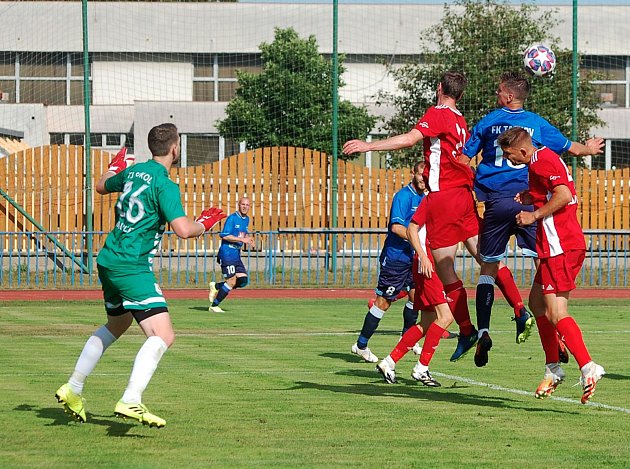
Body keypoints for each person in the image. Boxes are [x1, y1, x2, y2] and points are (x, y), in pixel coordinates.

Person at [55, 124, 226, 427]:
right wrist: (204, 223)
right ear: (175, 149)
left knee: (117, 324)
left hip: (108, 259)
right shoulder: (164, 184)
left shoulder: (133, 173)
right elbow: (184, 230)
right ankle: (131, 399)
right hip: (131, 265)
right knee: (163, 335)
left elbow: (102, 185)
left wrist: (112, 167)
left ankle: (74, 387)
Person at [463, 71, 605, 367]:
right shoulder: (536, 125)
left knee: (488, 267)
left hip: (499, 201)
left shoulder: (487, 122)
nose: (496, 94)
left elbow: (464, 159)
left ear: (509, 95)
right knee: (543, 265)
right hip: (529, 201)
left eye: (499, 91)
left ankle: (485, 330)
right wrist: (589, 148)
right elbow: (572, 148)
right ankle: (560, 334)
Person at [344, 70, 480, 363]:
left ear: (440, 87)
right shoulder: (461, 122)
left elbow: (409, 139)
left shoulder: (440, 113)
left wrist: (369, 145)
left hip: (442, 199)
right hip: (461, 198)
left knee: (436, 269)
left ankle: (462, 333)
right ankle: (499, 316)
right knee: (478, 262)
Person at [497, 126, 605, 404]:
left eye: (510, 155)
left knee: (557, 313)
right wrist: (532, 196)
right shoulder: (540, 158)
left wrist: (534, 216)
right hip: (554, 247)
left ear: (522, 150)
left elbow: (564, 196)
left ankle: (588, 367)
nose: (509, 160)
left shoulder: (542, 162)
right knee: (536, 304)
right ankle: (553, 368)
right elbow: (554, 191)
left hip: (561, 246)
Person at [346, 162, 425, 363]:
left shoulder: (426, 197)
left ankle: (407, 338)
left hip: (413, 257)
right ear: (413, 174)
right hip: (396, 257)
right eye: (420, 175)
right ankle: (361, 345)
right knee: (383, 302)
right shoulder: (403, 196)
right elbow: (396, 227)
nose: (423, 179)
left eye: (426, 175)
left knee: (417, 298)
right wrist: (416, 238)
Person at [376, 197, 455, 387]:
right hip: (428, 265)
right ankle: (421, 369)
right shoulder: (434, 200)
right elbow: (412, 230)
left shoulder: (447, 201)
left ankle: (389, 362)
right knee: (445, 317)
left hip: (429, 264)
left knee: (427, 322)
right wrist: (423, 257)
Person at [208, 197, 255, 313]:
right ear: (239, 205)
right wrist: (242, 240)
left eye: (247, 205)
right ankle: (214, 306)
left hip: (236, 255)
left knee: (243, 280)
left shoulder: (247, 219)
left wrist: (248, 240)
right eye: (243, 204)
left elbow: (241, 235)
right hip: (227, 253)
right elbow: (224, 235)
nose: (245, 207)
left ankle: (217, 286)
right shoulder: (232, 218)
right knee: (232, 281)